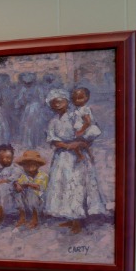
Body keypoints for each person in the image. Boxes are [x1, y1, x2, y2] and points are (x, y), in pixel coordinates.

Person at [41, 89, 107, 233]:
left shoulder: (75, 116)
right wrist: (67, 146)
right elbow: (53, 140)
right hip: (62, 157)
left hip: (76, 158)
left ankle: (77, 220)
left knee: (76, 186)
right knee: (63, 185)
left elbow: (88, 131)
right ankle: (70, 218)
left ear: (67, 102)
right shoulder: (53, 122)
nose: (57, 105)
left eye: (60, 102)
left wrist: (80, 144)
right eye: (54, 103)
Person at [12, 149, 49, 229]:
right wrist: (17, 184)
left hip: (40, 200)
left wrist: (27, 184)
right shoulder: (24, 175)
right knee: (17, 192)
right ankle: (22, 216)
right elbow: (19, 183)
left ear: (38, 165)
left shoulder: (43, 175)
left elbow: (39, 187)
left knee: (31, 192)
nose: (29, 166)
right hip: (28, 200)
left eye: (33, 163)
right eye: (26, 164)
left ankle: (35, 218)